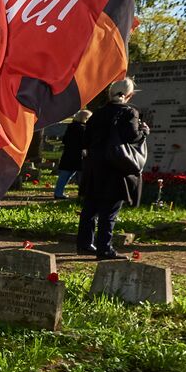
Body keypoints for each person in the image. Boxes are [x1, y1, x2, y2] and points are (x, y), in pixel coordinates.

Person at [76, 78, 148, 260]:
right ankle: (104, 249)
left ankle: (85, 244)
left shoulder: (98, 113)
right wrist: (144, 132)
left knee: (90, 208)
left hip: (94, 166)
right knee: (109, 210)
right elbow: (132, 136)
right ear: (129, 95)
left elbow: (86, 139)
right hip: (115, 167)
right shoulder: (129, 112)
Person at [54, 109, 91, 200]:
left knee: (65, 175)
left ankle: (58, 192)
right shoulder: (82, 129)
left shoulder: (71, 127)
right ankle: (83, 193)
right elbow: (84, 142)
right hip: (78, 155)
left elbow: (65, 140)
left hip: (68, 154)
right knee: (79, 176)